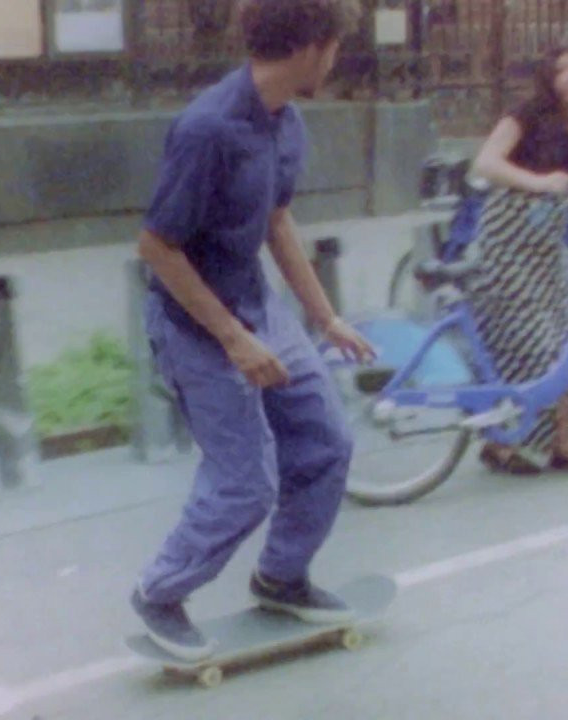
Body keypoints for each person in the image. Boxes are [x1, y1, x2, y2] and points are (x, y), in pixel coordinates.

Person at [130, 0, 374, 661]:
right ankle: (159, 593)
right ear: (308, 45)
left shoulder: (286, 121)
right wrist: (234, 341)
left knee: (326, 442)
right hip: (194, 325)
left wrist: (325, 317)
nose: (336, 60)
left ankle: (281, 576)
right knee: (246, 484)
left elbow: (277, 221)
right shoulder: (207, 129)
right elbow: (156, 247)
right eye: (333, 46)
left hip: (257, 306)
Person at [466, 29, 568, 476]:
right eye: (560, 70)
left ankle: (564, 445)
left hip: (550, 237)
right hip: (509, 231)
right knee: (525, 339)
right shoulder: (529, 111)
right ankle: (498, 444)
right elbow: (486, 162)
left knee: (565, 337)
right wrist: (540, 183)